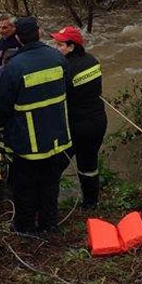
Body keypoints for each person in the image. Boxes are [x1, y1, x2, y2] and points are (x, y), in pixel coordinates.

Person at [0, 17, 71, 233]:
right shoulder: (58, 58)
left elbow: (3, 106)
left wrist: (0, 130)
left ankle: (25, 227)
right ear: (38, 33)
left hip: (27, 140)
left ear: (18, 37)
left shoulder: (14, 66)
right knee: (50, 183)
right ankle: (49, 224)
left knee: (24, 186)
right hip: (56, 135)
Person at [51, 26, 107, 209]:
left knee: (55, 166)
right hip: (97, 121)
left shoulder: (65, 68)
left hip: (77, 124)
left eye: (59, 45)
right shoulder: (92, 61)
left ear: (72, 47)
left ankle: (49, 207)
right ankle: (91, 204)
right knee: (89, 165)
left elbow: (59, 98)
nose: (55, 48)